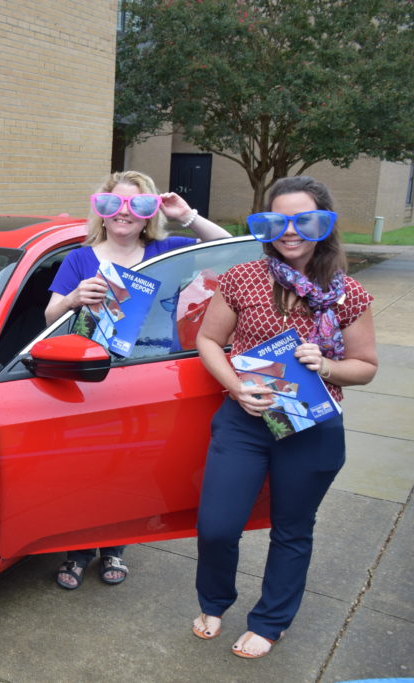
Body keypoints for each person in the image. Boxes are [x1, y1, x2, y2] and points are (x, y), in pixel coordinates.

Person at [191, 176, 377, 658]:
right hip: (245, 421)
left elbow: (366, 367)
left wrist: (329, 365)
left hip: (312, 428)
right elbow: (207, 341)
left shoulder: (347, 293)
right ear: (266, 225)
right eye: (278, 220)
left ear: (324, 225)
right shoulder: (242, 278)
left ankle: (272, 621)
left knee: (292, 529)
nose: (290, 231)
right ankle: (215, 600)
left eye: (304, 219)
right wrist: (236, 386)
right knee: (216, 526)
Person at [48, 170, 231, 590]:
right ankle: (77, 550)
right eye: (113, 204)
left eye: (137, 205)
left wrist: (188, 216)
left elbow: (225, 247)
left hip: (150, 377)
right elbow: (48, 316)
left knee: (133, 468)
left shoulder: (168, 250)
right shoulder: (81, 257)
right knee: (86, 468)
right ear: (101, 209)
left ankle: (116, 546)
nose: (123, 214)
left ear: (149, 212)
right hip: (91, 375)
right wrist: (76, 297)